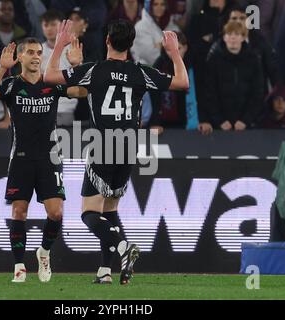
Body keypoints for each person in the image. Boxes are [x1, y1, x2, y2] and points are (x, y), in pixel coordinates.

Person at [44, 19, 189, 285]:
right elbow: (182, 82)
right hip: (129, 146)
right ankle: (104, 271)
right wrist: (174, 52)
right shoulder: (140, 72)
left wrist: (59, 46)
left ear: (107, 41)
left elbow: (49, 76)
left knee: (89, 212)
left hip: (103, 143)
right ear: (131, 44)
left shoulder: (95, 70)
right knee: (109, 210)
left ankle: (123, 247)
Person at [0, 38, 86, 283]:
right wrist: (1, 68)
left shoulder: (51, 83)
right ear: (20, 57)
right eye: (30, 52)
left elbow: (82, 92)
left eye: (39, 52)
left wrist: (77, 67)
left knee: (56, 213)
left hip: (49, 158)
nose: (36, 56)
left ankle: (44, 252)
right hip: (21, 158)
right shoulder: (11, 84)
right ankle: (19, 265)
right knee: (19, 212)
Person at [200, 21, 264, 131]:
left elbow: (257, 92)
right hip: (220, 126)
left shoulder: (253, 60)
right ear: (224, 37)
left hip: (246, 126)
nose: (232, 38)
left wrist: (246, 120)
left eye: (237, 34)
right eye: (229, 34)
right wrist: (219, 120)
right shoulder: (214, 61)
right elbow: (209, 92)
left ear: (243, 37)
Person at [40, 9, 79, 126]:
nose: (49, 28)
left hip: (67, 109)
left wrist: (76, 64)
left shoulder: (73, 49)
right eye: (46, 25)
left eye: (53, 24)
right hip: (44, 108)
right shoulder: (37, 51)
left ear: (62, 26)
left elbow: (81, 80)